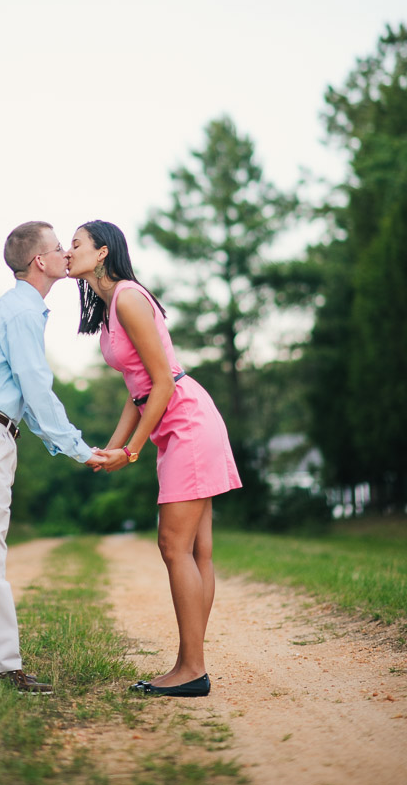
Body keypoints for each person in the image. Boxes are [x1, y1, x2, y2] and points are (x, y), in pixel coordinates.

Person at [66, 220, 241, 698]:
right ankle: (190, 665)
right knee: (196, 550)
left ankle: (192, 669)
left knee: (174, 545)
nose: (67, 249)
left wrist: (132, 451)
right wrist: (109, 446)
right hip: (175, 427)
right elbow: (136, 392)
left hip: (186, 422)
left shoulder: (127, 297)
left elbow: (163, 382)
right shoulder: (109, 309)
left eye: (75, 243)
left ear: (101, 252)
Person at [0, 220, 101, 695]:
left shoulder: (11, 309)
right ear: (41, 261)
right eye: (59, 249)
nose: (66, 255)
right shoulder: (22, 313)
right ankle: (1, 665)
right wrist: (79, 448)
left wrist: (62, 445)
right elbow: (37, 388)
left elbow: (26, 399)